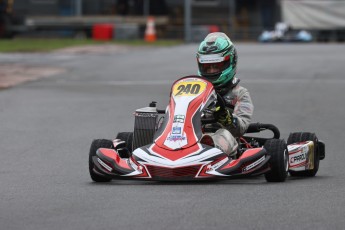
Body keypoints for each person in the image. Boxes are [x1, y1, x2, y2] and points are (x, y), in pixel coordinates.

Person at [196, 32, 254, 158]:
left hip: (226, 139)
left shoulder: (239, 93)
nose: (211, 71)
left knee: (222, 134)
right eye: (207, 67)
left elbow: (242, 127)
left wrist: (227, 118)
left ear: (230, 62)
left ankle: (209, 151)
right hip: (193, 136)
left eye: (215, 66)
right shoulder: (195, 91)